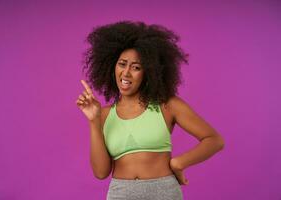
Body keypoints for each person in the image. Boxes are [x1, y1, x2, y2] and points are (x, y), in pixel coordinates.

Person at [76, 21, 225, 200]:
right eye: (122, 64)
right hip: (120, 194)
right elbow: (101, 173)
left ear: (149, 72)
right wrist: (94, 120)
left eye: (136, 67)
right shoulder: (104, 115)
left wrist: (179, 163)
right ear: (111, 67)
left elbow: (214, 140)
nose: (126, 73)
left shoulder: (167, 105)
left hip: (163, 192)